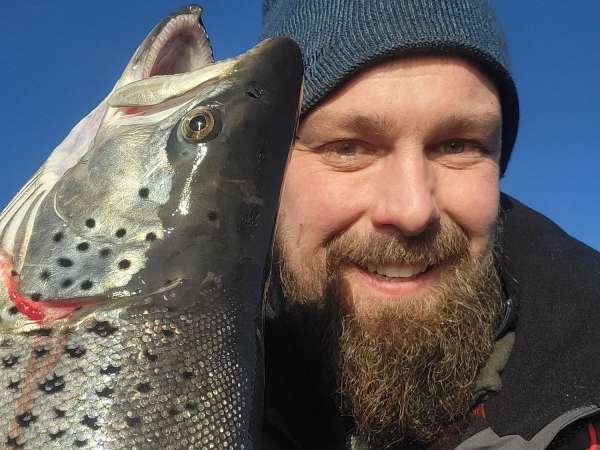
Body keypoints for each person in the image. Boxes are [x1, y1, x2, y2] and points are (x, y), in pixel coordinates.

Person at [259, 1, 600, 449]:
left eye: (457, 145)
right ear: (269, 174)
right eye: (347, 148)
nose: (413, 210)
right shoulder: (158, 374)